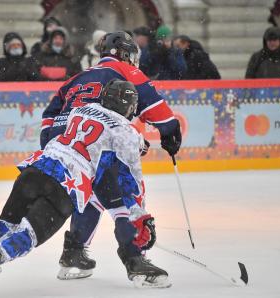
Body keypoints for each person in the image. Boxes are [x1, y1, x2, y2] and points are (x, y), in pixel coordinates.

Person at [0, 79, 170, 289]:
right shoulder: (126, 131)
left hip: (36, 169)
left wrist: (135, 143)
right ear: (129, 106)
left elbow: (79, 132)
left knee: (8, 224)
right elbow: (131, 179)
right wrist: (139, 216)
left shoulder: (80, 110)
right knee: (29, 235)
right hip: (66, 184)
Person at [39, 31, 181, 284]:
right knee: (124, 192)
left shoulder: (77, 77)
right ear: (125, 53)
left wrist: (52, 144)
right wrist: (171, 131)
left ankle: (73, 253)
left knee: (91, 193)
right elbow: (155, 108)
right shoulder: (125, 70)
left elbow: (49, 115)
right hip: (102, 142)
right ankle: (134, 258)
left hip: (67, 143)